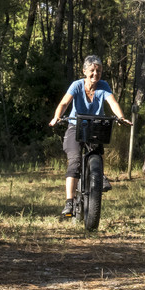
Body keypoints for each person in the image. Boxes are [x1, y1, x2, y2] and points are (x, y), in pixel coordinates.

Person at [47, 55, 128, 218]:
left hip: (95, 127)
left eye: (98, 71)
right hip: (75, 126)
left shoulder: (103, 86)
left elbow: (112, 103)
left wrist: (120, 117)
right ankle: (69, 201)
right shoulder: (77, 85)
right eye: (92, 70)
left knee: (96, 153)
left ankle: (98, 175)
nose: (95, 74)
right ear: (84, 71)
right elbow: (64, 104)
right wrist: (57, 117)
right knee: (75, 161)